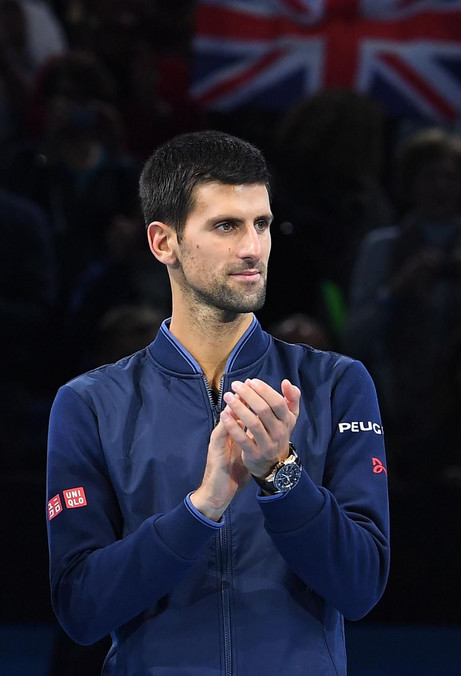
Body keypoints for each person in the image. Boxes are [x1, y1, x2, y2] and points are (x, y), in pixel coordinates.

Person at [45, 131, 390, 673]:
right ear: (164, 243)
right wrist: (200, 510)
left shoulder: (336, 384)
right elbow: (81, 609)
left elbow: (362, 587)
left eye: (262, 224)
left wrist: (282, 477)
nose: (253, 248)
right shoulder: (89, 404)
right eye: (226, 226)